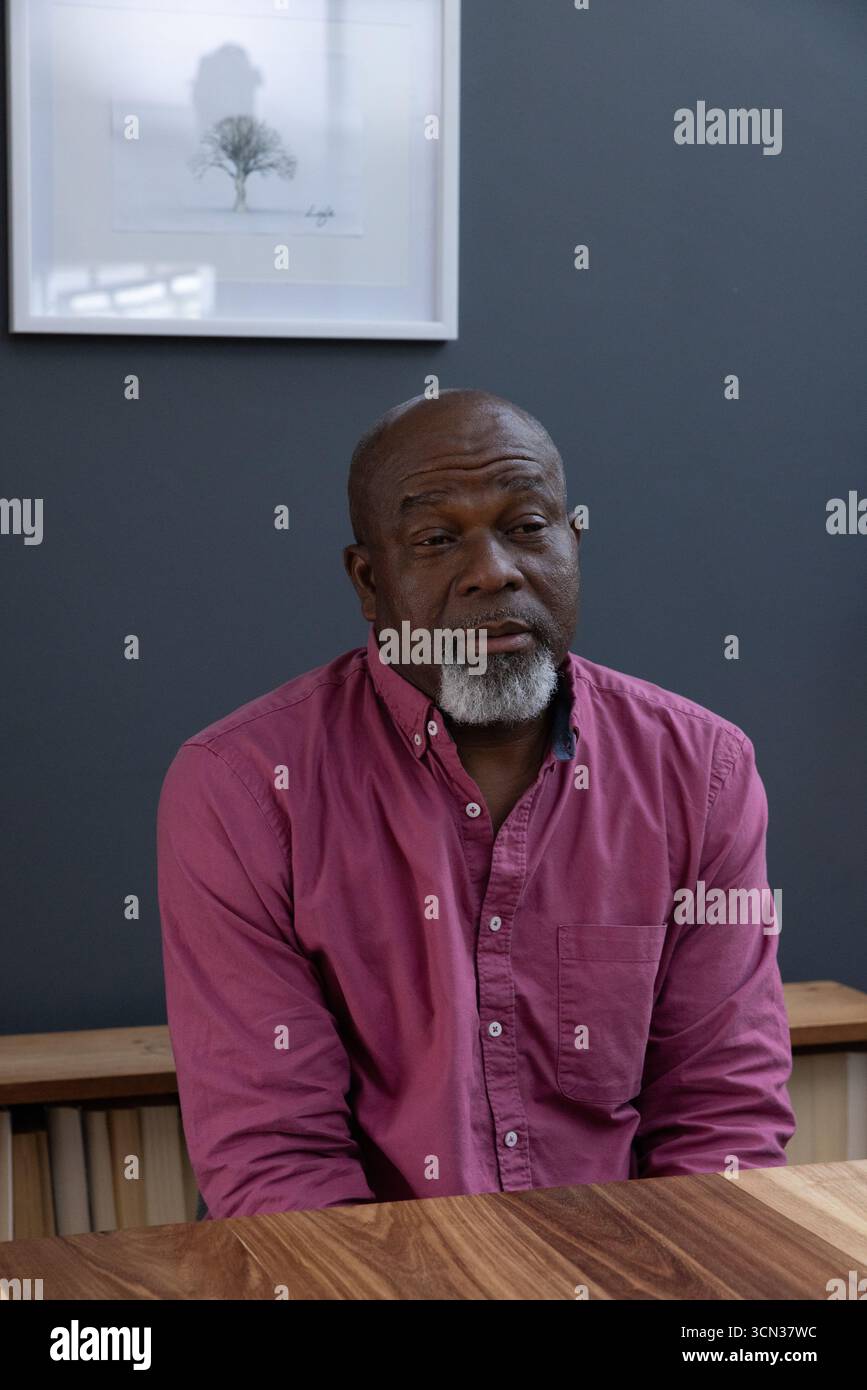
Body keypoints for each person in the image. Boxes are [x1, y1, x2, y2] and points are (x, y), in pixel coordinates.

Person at [157, 388, 796, 1220]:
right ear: (368, 580)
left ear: (574, 542)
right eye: (435, 538)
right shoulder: (241, 786)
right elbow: (275, 1158)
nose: (495, 569)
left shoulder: (703, 769)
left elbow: (721, 1115)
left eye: (527, 527)